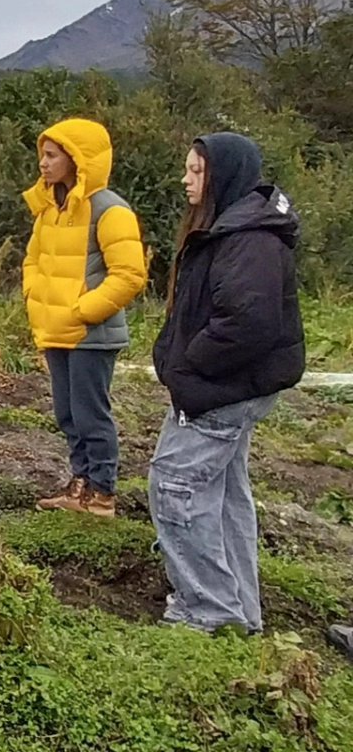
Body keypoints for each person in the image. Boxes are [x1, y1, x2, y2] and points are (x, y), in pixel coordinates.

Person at [150, 133, 305, 635]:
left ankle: (207, 611)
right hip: (230, 389)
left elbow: (248, 322)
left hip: (219, 392)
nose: (185, 180)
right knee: (221, 494)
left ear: (222, 176)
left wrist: (190, 367)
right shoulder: (236, 229)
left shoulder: (248, 239)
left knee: (176, 487)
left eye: (196, 172)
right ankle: (238, 609)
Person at [23, 118, 147, 518]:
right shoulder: (50, 208)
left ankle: (102, 494)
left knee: (92, 416)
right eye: (42, 154)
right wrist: (34, 298)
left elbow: (129, 275)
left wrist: (83, 311)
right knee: (67, 413)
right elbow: (33, 260)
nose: (43, 163)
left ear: (78, 159)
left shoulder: (110, 210)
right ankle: (80, 486)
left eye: (52, 155)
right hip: (56, 330)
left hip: (91, 334)